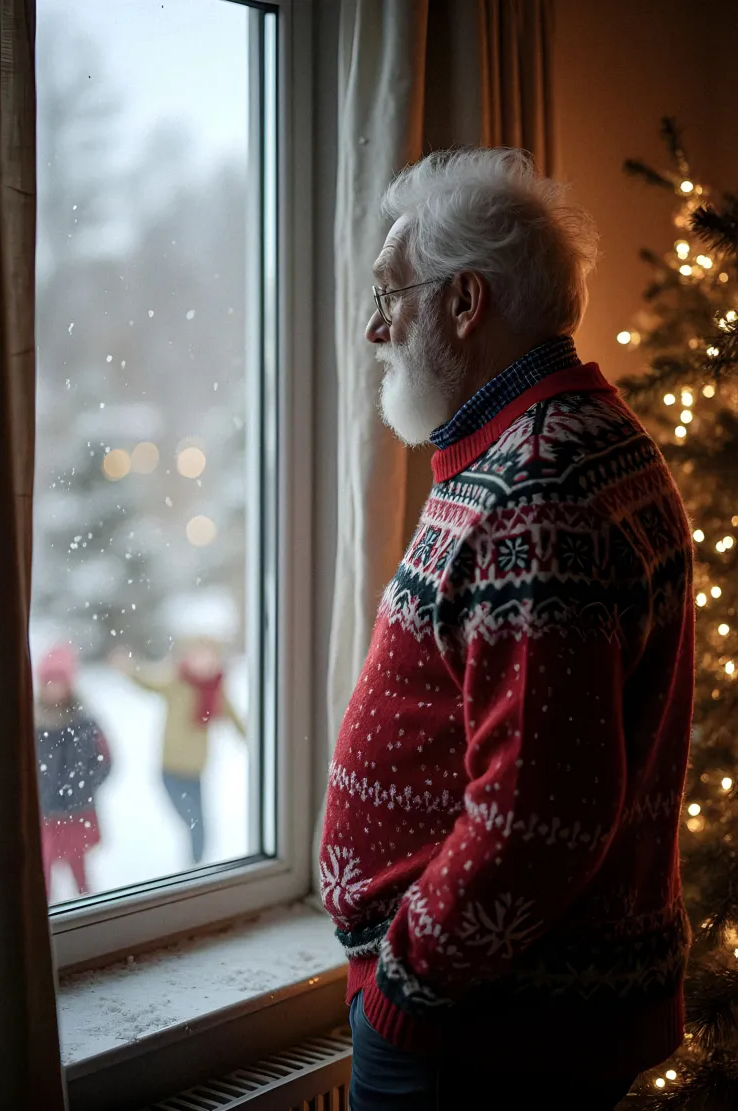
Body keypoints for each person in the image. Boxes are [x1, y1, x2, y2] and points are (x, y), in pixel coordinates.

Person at [319, 149, 694, 1111]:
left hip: (487, 1032)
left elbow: (540, 813)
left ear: (464, 302)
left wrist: (404, 989)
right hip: (498, 1016)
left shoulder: (538, 486)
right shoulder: (553, 441)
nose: (374, 327)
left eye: (389, 295)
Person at [112, 637, 245, 865]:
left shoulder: (217, 690)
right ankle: (191, 875)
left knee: (200, 829)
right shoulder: (176, 682)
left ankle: (194, 871)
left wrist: (259, 741)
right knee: (192, 821)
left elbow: (235, 720)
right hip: (170, 770)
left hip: (196, 772)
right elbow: (149, 682)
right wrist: (129, 669)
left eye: (208, 657)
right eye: (198, 656)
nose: (203, 662)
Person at [35, 644, 111, 898]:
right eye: (49, 682)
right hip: (44, 812)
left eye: (59, 681)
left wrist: (86, 784)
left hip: (76, 809)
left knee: (77, 861)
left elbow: (106, 759)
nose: (54, 688)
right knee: (42, 864)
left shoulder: (84, 722)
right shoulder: (30, 722)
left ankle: (85, 902)